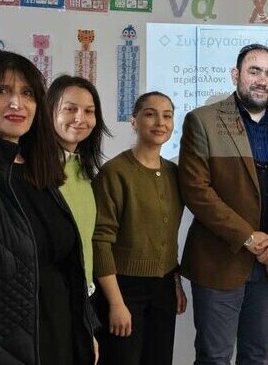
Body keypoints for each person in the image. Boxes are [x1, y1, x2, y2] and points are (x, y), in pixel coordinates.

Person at [0, 50, 98, 364]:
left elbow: (64, 265)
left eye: (27, 93)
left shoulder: (37, 172)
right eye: (1, 90)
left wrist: (84, 330)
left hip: (58, 342)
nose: (17, 103)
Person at [178, 44, 268, 364]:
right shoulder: (202, 121)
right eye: (254, 71)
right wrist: (248, 237)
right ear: (235, 75)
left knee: (256, 356)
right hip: (220, 260)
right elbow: (196, 190)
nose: (261, 80)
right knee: (214, 357)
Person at [92, 92, 186, 364]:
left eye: (167, 116)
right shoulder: (115, 172)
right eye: (150, 114)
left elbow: (167, 236)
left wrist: (175, 282)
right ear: (134, 121)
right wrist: (116, 303)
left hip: (163, 287)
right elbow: (100, 241)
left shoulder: (173, 173)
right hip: (123, 287)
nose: (160, 122)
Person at [46, 75, 110, 295]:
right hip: (50, 295)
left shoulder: (82, 169)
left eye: (89, 111)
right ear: (49, 112)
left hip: (81, 290)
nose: (80, 118)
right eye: (70, 109)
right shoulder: (34, 169)